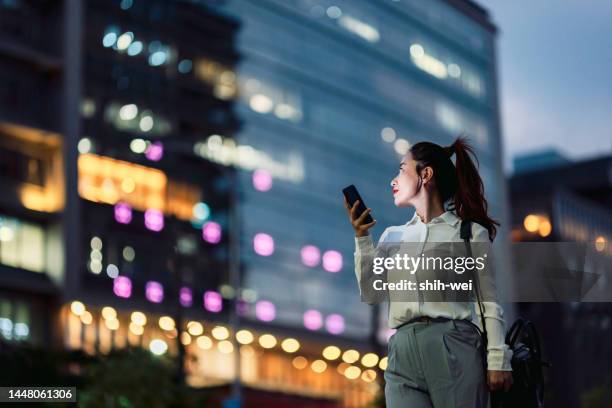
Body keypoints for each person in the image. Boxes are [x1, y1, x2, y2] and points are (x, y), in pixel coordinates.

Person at [344, 137, 512, 408]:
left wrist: (498, 359)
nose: (393, 180)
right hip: (401, 350)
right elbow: (372, 293)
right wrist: (362, 238)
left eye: (401, 169)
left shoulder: (468, 234)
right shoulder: (392, 236)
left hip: (454, 344)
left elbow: (489, 303)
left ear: (426, 174)